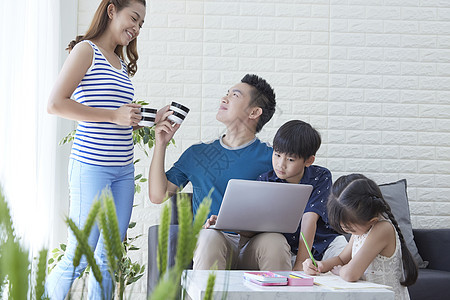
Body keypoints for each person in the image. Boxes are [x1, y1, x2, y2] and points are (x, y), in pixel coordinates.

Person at [45, 1, 147, 299]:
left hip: (123, 170)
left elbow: (114, 114)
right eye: (134, 18)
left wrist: (136, 119)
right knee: (79, 255)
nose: (137, 28)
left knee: (108, 260)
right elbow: (55, 104)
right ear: (112, 10)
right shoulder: (86, 50)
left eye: (141, 24)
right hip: (92, 167)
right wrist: (115, 115)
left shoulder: (118, 63)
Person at [149, 74, 292, 270]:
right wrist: (161, 144)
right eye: (226, 94)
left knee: (275, 242)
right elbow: (158, 195)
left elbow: (286, 209)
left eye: (234, 95)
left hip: (254, 244)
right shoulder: (197, 153)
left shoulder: (274, 158)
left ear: (254, 112)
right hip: (213, 240)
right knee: (208, 237)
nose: (224, 98)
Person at [303, 174, 418, 300]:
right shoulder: (361, 231)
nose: (346, 231)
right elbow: (342, 259)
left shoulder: (382, 229)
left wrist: (340, 271)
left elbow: (351, 274)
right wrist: (321, 266)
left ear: (372, 221)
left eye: (349, 228)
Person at [257, 120, 347, 270]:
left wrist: (301, 262)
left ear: (309, 160)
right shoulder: (265, 180)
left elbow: (309, 218)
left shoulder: (320, 176)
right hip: (288, 248)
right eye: (277, 155)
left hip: (324, 243)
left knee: (347, 258)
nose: (281, 164)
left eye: (290, 159)